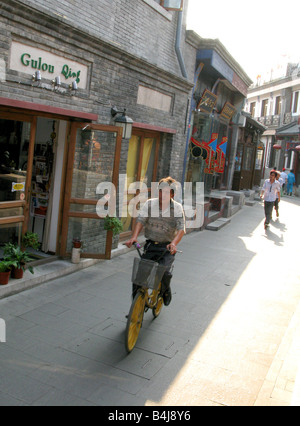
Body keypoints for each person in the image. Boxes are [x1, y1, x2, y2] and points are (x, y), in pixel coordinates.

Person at [125, 176, 186, 306]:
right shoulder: (149, 203)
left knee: (164, 273)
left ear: (172, 194)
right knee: (139, 278)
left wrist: (173, 243)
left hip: (167, 248)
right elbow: (141, 220)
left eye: (166, 192)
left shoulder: (177, 208)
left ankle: (165, 291)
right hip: (151, 245)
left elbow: (181, 229)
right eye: (160, 190)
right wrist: (134, 237)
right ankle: (135, 307)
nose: (162, 194)